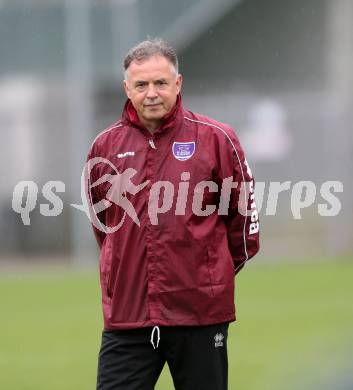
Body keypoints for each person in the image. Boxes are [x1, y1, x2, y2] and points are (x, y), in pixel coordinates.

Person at [86, 38, 260, 390]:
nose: (151, 93)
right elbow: (105, 228)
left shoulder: (216, 139)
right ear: (127, 88)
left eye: (160, 83)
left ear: (177, 84)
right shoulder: (103, 147)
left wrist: (211, 275)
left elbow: (243, 227)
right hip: (128, 317)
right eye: (141, 85)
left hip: (200, 315)